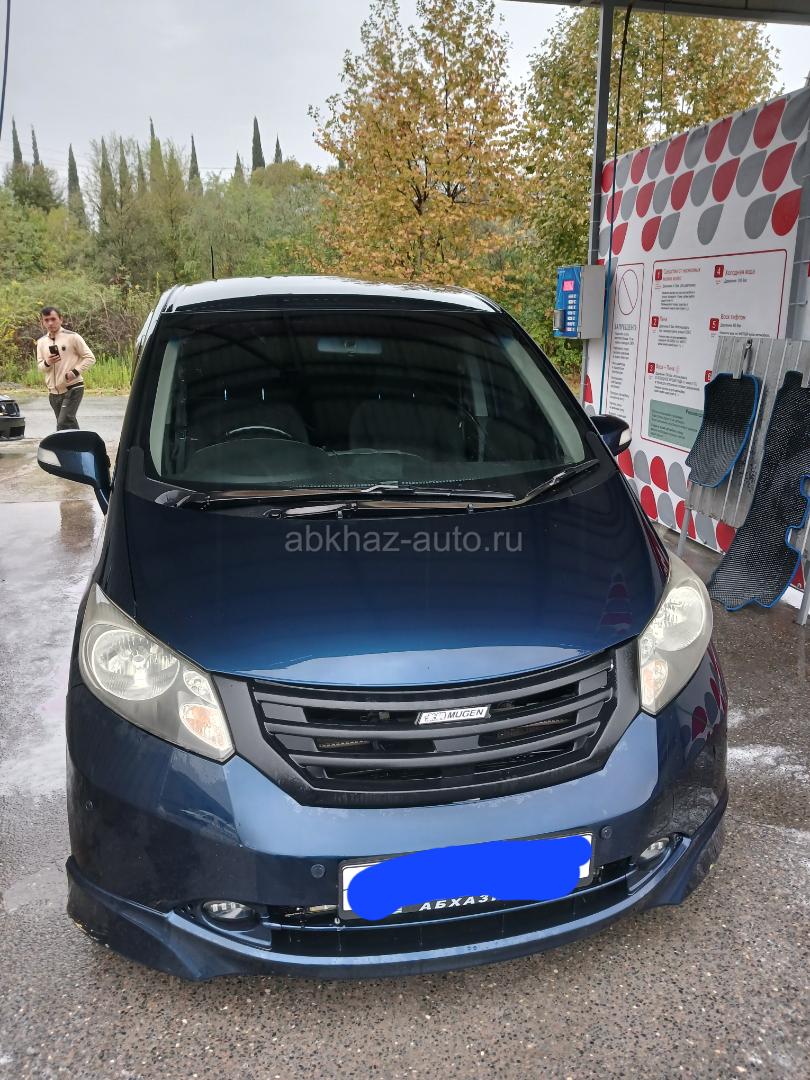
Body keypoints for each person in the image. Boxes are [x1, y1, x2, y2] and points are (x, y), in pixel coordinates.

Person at [36, 306, 96, 430]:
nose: (50, 323)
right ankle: (76, 442)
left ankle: (77, 442)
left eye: (53, 319)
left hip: (73, 387)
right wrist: (48, 362)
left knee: (64, 422)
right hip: (53, 392)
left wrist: (75, 372)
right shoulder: (41, 342)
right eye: (46, 320)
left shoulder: (72, 337)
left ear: (61, 319)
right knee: (65, 426)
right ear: (42, 322)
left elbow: (90, 357)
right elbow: (41, 367)